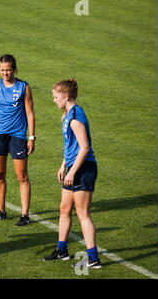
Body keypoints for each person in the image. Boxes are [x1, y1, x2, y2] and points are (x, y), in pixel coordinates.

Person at [43, 79, 101, 269]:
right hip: (73, 167)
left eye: (56, 97)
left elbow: (84, 148)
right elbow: (71, 146)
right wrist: (63, 165)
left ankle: (93, 258)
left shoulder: (75, 116)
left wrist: (73, 171)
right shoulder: (68, 113)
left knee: (83, 213)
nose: (54, 101)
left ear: (66, 96)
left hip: (83, 169)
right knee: (64, 208)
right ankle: (62, 250)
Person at [0, 54, 35, 226]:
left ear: (14, 69)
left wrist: (31, 137)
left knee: (22, 176)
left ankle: (25, 214)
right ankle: (1, 211)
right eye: (2, 70)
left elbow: (30, 113)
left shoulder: (23, 87)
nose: (5, 73)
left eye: (8, 69)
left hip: (17, 136)